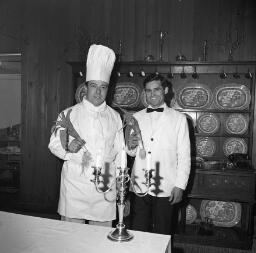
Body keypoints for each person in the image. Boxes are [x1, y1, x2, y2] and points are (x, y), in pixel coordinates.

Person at [48, 44, 126, 227]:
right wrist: (68, 149)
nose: (98, 92)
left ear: (108, 89)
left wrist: (121, 185)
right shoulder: (69, 114)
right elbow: (53, 144)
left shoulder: (115, 117)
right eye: (94, 86)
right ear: (86, 87)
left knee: (100, 241)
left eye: (103, 87)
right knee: (71, 240)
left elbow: (120, 151)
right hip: (76, 187)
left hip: (105, 188)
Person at [127, 73, 191, 235]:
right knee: (138, 230)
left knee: (162, 232)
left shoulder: (179, 119)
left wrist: (180, 186)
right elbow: (131, 151)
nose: (152, 94)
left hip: (166, 185)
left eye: (156, 89)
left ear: (166, 90)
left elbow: (184, 155)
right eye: (148, 91)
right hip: (140, 184)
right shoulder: (136, 117)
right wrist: (131, 145)